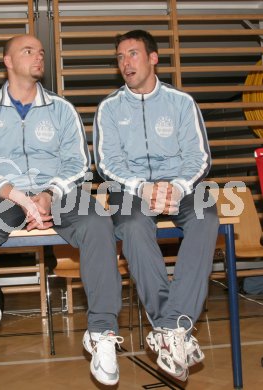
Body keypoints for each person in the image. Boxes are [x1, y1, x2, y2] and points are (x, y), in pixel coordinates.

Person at [0, 34, 124, 387]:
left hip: (59, 191)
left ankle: (102, 331)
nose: (38, 56)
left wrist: (47, 194)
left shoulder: (61, 109)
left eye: (41, 51)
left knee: (98, 223)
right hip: (3, 194)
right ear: (8, 62)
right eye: (28, 51)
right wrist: (18, 196)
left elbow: (79, 162)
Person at [93, 29, 219, 381]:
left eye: (132, 54)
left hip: (180, 185)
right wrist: (142, 188)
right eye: (120, 57)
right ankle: (174, 327)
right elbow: (106, 163)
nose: (125, 63)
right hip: (130, 190)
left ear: (153, 58)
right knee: (132, 225)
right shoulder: (109, 107)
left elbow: (199, 156)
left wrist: (177, 187)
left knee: (206, 215)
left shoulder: (181, 103)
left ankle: (169, 329)